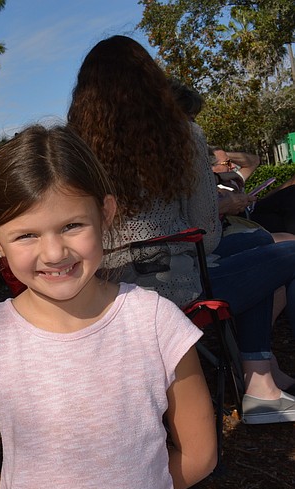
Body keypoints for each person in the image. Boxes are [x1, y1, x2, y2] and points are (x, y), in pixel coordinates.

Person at [0, 124, 217, 489]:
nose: (54, 253)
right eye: (26, 235)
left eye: (72, 225)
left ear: (106, 214)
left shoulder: (156, 322)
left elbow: (199, 452)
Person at [67, 35, 295, 422]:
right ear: (151, 80)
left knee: (255, 245)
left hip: (102, 288)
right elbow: (207, 232)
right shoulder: (182, 136)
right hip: (176, 288)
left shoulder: (72, 148)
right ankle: (259, 384)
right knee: (273, 253)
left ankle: (262, 382)